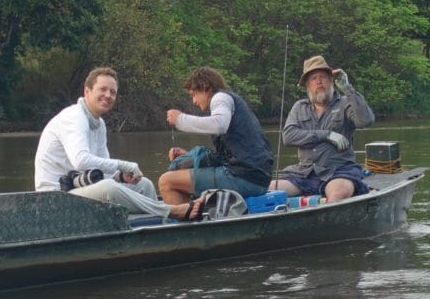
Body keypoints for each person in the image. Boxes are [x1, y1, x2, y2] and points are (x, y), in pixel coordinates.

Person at [34, 67, 204, 221]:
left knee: (143, 184)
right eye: (103, 89)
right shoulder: (74, 118)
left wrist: (121, 176)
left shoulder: (98, 124)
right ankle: (171, 211)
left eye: (113, 92)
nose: (108, 95)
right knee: (110, 189)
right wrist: (123, 165)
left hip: (80, 188)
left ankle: (156, 227)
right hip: (55, 198)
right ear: (87, 91)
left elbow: (104, 170)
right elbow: (80, 160)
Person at [158, 66, 274, 207]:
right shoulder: (228, 101)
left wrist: (180, 119)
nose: (194, 101)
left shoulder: (220, 98)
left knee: (166, 181)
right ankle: (194, 216)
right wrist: (189, 156)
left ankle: (185, 224)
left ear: (205, 87)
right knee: (181, 170)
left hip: (245, 178)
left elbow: (219, 125)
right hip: (256, 178)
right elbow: (228, 155)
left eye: (194, 94)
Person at [270, 55, 375, 202]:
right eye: (313, 78)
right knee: (267, 190)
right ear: (307, 85)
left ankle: (328, 222)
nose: (319, 81)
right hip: (304, 173)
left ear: (331, 80)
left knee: (337, 193)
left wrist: (347, 88)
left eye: (323, 77)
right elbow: (288, 137)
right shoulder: (299, 107)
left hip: (340, 171)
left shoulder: (345, 103)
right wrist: (326, 134)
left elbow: (366, 121)